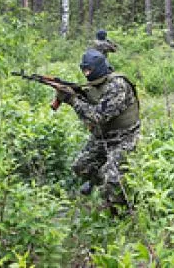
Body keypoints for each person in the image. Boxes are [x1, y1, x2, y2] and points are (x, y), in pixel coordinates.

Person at [54, 49, 140, 209]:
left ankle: (120, 209)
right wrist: (73, 95)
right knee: (81, 166)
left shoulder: (117, 86)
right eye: (84, 70)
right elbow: (91, 102)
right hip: (102, 136)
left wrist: (72, 100)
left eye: (89, 70)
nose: (86, 73)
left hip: (124, 138)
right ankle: (98, 182)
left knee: (112, 178)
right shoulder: (95, 85)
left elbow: (96, 117)